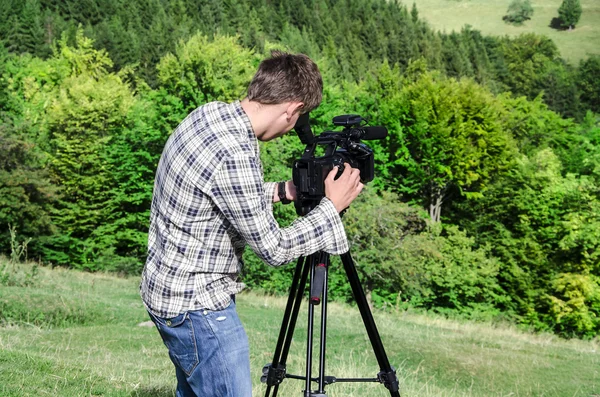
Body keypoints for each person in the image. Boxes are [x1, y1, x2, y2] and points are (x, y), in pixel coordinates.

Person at [140, 50, 363, 397]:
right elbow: (275, 249)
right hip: (198, 307)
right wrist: (331, 208)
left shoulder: (211, 115)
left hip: (168, 290)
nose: (292, 128)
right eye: (297, 119)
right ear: (292, 109)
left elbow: (219, 192)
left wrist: (283, 191)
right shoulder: (236, 152)